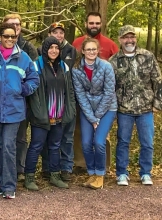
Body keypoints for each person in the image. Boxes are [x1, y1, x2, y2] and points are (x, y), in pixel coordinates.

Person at [0, 23, 39, 199]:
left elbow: (34, 79)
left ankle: (9, 186)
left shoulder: (24, 57)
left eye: (12, 37)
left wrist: (22, 90)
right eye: (6, 36)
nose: (9, 40)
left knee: (8, 146)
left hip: (14, 110)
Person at [109, 25, 162, 186]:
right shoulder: (114, 61)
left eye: (132, 37)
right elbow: (111, 87)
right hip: (124, 109)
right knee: (123, 141)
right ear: (120, 40)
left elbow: (158, 81)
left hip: (146, 108)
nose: (129, 40)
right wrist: (113, 108)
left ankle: (145, 173)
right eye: (126, 37)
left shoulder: (147, 56)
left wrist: (157, 104)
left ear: (135, 38)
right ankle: (122, 173)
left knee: (147, 142)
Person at [24, 36, 75, 191]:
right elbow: (33, 94)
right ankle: (29, 177)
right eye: (50, 48)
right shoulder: (36, 66)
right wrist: (39, 114)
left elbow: (70, 92)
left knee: (55, 146)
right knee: (36, 145)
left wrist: (70, 111)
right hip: (41, 116)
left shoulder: (63, 67)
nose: (54, 51)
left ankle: (55, 175)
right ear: (45, 49)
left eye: (56, 48)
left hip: (59, 115)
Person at [71, 12, 119, 174]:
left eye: (97, 23)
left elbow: (110, 88)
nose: (94, 26)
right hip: (86, 105)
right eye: (91, 23)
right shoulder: (77, 43)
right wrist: (91, 116)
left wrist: (97, 116)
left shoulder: (110, 46)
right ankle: (83, 165)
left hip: (105, 104)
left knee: (101, 140)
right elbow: (79, 90)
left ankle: (102, 168)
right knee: (83, 138)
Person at [38, 22, 77, 181]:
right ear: (49, 34)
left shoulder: (70, 51)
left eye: (61, 32)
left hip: (65, 101)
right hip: (48, 103)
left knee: (66, 137)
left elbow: (65, 72)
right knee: (47, 138)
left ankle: (66, 168)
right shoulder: (40, 52)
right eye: (55, 32)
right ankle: (48, 168)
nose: (59, 35)